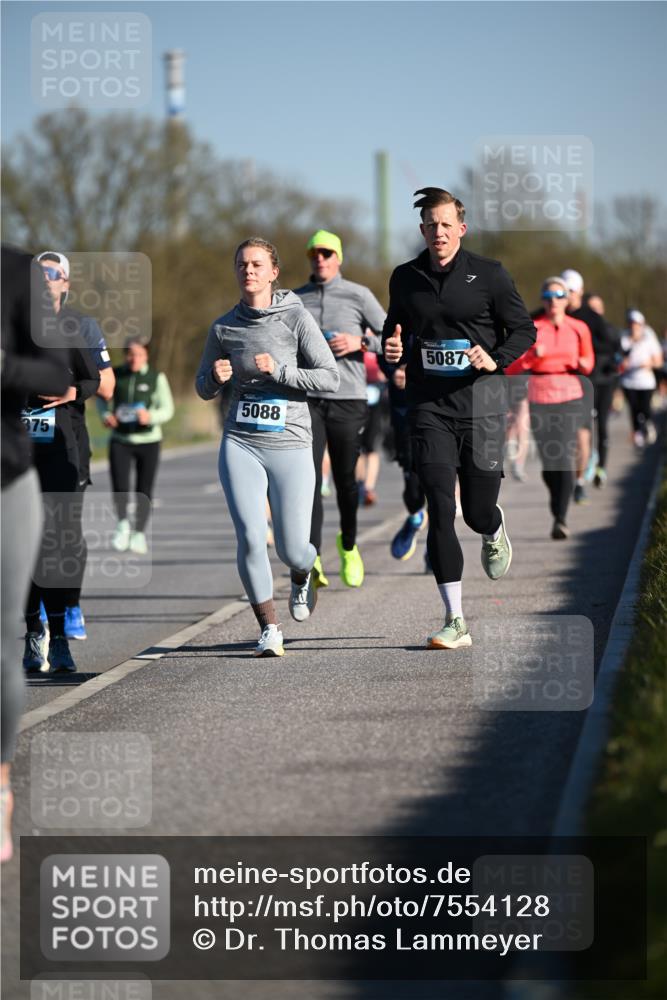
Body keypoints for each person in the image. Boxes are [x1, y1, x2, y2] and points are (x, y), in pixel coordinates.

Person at [383, 187, 536, 649]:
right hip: (430, 407)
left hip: (483, 406)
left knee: (474, 511)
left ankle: (493, 526)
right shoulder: (405, 277)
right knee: (440, 510)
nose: (439, 232)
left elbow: (524, 329)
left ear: (461, 229)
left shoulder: (489, 274)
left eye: (447, 224)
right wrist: (391, 350)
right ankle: (455, 620)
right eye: (431, 225)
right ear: (422, 230)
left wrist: (495, 358)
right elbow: (396, 332)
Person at [196, 238, 339, 657]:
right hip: (241, 441)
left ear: (273, 272)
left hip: (291, 443)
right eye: (242, 264)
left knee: (294, 547)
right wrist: (216, 378)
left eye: (257, 264)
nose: (249, 271)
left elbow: (329, 377)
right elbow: (201, 386)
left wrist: (280, 370)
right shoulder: (224, 327)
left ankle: (303, 571)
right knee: (252, 537)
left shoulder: (295, 318)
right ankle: (269, 627)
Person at [1, 245, 70, 862]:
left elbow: (58, 376)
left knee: (4, 635)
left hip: (7, 477)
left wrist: (3, 366)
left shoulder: (14, 272)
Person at [294, 230, 386, 588]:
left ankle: (348, 545)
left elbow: (394, 336)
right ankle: (313, 557)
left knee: (347, 481)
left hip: (348, 397)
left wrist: (359, 341)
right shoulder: (294, 299)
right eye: (315, 253)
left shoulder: (358, 294)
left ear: (339, 257)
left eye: (327, 252)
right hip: (308, 400)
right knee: (310, 480)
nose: (321, 258)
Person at [35, 251, 115, 640]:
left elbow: (107, 384)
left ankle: (70, 604)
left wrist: (70, 390)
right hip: (23, 442)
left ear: (65, 282)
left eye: (52, 273)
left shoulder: (81, 325)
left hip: (68, 440)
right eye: (38, 273)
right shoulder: (14, 325)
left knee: (66, 530)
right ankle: (37, 616)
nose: (44, 278)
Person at [506, 277, 594, 539]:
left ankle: (560, 517)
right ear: (542, 300)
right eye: (548, 296)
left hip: (570, 394)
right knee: (549, 460)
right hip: (540, 395)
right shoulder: (533, 328)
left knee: (564, 454)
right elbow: (512, 368)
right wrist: (533, 357)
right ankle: (557, 501)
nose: (553, 301)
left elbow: (589, 362)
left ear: (567, 299)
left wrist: (578, 360)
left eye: (558, 295)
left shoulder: (579, 328)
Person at [99, 338, 174, 554]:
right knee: (120, 486)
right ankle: (122, 525)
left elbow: (167, 409)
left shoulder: (156, 377)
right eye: (131, 354)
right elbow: (102, 398)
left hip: (149, 441)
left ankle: (139, 533)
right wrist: (106, 415)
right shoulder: (116, 374)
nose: (134, 359)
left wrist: (150, 416)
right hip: (120, 440)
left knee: (144, 489)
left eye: (139, 354)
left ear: (146, 356)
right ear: (125, 355)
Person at [560, 269, 618, 502]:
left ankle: (584, 477)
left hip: (590, 382)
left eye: (571, 291)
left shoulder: (591, 317)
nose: (566, 295)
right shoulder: (554, 311)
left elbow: (611, 346)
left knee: (588, 430)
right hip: (559, 385)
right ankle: (571, 478)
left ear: (580, 292)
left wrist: (584, 350)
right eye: (564, 290)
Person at [584, 292, 621, 486]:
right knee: (585, 426)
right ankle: (589, 459)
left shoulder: (610, 331)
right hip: (587, 382)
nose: (594, 312)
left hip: (606, 382)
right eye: (591, 308)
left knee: (602, 424)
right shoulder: (581, 330)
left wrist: (615, 367)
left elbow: (619, 357)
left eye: (597, 308)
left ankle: (601, 467)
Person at [619, 310, 663, 448]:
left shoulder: (649, 338)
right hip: (628, 381)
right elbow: (617, 359)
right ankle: (637, 433)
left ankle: (648, 425)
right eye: (632, 324)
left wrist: (649, 364)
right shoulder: (624, 338)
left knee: (645, 408)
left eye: (637, 324)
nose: (634, 327)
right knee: (633, 409)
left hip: (645, 382)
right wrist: (622, 363)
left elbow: (659, 361)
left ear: (642, 324)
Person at [356, 349, 387, 506]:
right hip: (357, 401)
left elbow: (386, 368)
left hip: (375, 403)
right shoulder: (355, 342)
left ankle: (369, 487)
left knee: (372, 448)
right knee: (359, 448)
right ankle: (361, 484)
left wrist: (382, 375)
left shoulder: (376, 343)